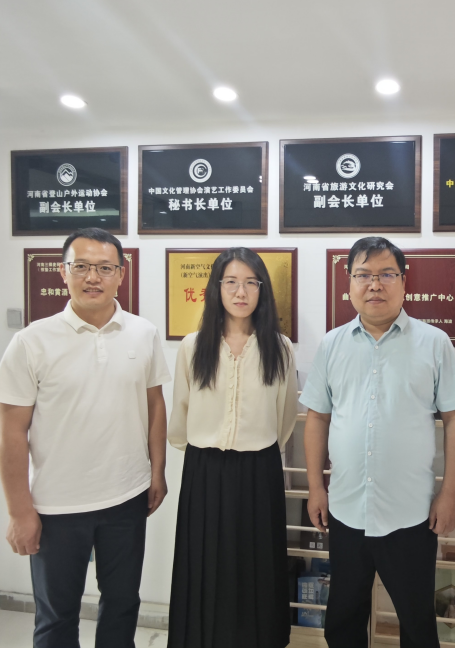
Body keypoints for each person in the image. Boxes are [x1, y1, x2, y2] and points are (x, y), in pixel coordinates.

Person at [0, 227, 170, 648]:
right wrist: (19, 512)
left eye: (105, 268)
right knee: (56, 617)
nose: (93, 277)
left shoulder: (143, 333)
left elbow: (155, 405)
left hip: (126, 498)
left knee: (122, 604)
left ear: (121, 274)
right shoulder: (31, 341)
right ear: (63, 272)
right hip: (56, 506)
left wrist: (156, 472)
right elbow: (11, 433)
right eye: (82, 266)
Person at [301, 236, 455, 648]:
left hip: (410, 513)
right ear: (348, 283)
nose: (374, 284)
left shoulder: (434, 342)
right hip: (346, 508)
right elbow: (317, 418)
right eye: (363, 275)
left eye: (386, 274)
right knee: (344, 617)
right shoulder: (332, 344)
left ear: (404, 282)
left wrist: (450, 493)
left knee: (416, 621)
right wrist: (316, 487)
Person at [166, 248, 299, 648]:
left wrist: (255, 445)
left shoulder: (280, 348)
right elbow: (181, 411)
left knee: (255, 565)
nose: (241, 292)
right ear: (216, 288)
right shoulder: (193, 346)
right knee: (203, 563)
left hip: (259, 471)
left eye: (250, 283)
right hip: (204, 470)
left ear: (262, 289)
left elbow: (285, 416)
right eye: (231, 282)